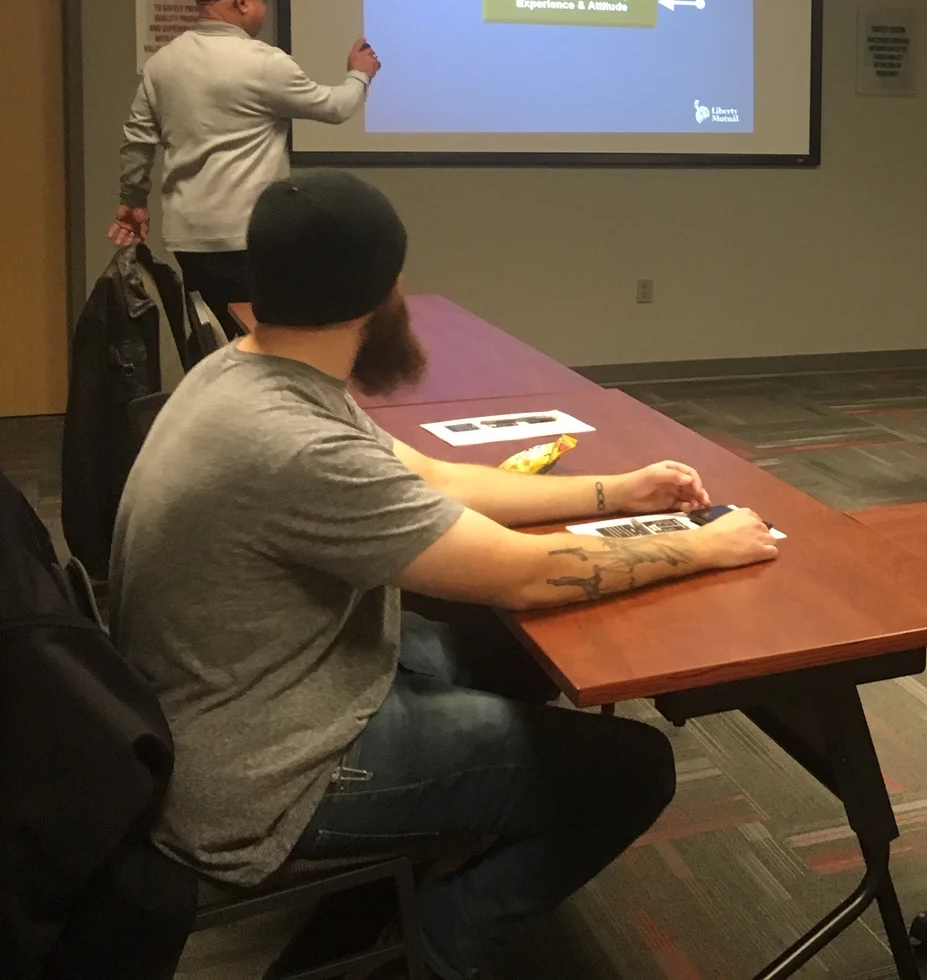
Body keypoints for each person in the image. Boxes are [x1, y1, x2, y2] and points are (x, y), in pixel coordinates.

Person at [109, 170, 779, 979]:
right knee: (633, 771)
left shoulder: (248, 368)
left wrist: (616, 491)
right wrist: (705, 547)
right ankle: (434, 949)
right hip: (266, 776)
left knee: (512, 662)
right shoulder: (291, 441)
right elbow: (525, 578)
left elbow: (433, 477)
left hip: (265, 686)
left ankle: (431, 858)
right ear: (377, 293)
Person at [111, 0, 380, 333]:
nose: (265, 8)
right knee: (262, 346)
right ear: (242, 2)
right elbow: (335, 107)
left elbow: (138, 140)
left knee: (211, 339)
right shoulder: (264, 63)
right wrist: (360, 74)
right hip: (249, 234)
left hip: (189, 236)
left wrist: (133, 201)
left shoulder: (163, 63)